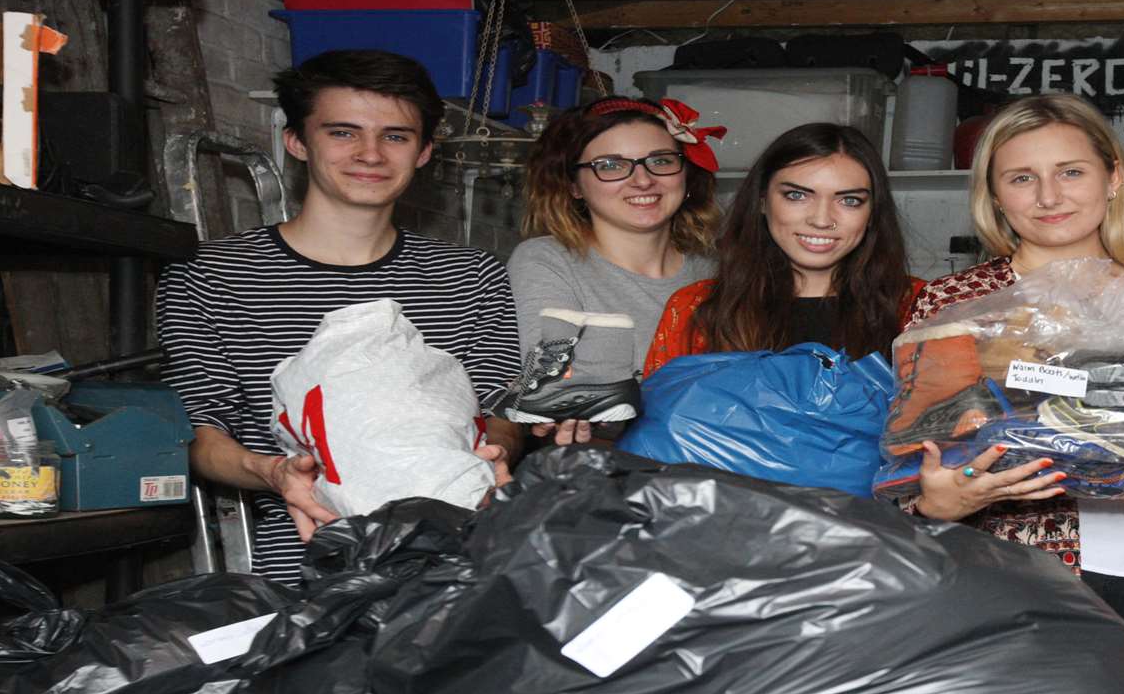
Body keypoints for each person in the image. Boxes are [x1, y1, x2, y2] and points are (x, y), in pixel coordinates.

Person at [899, 94, 1124, 685]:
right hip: (1014, 572)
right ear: (995, 195)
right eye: (1021, 178)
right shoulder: (956, 305)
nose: (1049, 196)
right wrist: (935, 503)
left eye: (1070, 172)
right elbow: (911, 449)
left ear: (1113, 178)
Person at [158, 49, 523, 586]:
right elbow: (199, 434)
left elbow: (500, 411)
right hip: (298, 570)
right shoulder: (211, 277)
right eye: (343, 133)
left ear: (424, 152)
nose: (370, 154)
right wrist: (275, 472)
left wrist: (495, 453)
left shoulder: (470, 278)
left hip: (461, 565)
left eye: (395, 136)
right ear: (297, 141)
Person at [500, 97, 720, 441]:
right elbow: (557, 380)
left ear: (687, 173)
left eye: (660, 161)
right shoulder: (546, 260)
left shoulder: (716, 272)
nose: (643, 180)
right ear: (573, 185)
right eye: (611, 165)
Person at [642, 122, 921, 376]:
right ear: (762, 201)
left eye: (849, 200)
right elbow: (661, 423)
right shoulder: (695, 308)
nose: (821, 220)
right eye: (797, 195)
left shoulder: (919, 307)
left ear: (872, 213)